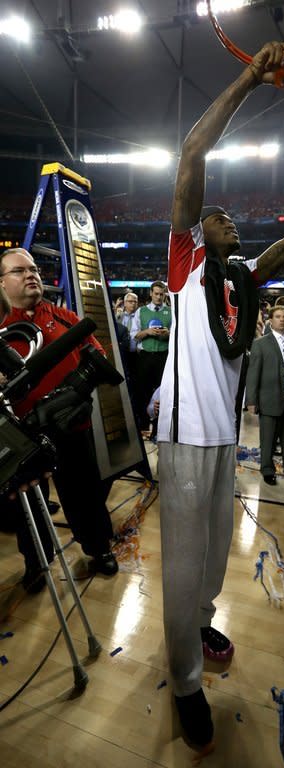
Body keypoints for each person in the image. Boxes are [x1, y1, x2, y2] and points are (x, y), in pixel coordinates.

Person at [155, 38, 284, 750]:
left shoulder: (242, 278)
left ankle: (201, 622)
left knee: (211, 560)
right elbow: (190, 154)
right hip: (183, 437)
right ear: (197, 230)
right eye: (217, 218)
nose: (226, 222)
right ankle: (183, 681)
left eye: (229, 221)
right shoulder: (185, 263)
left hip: (224, 440)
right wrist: (248, 76)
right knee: (182, 570)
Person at [0, 247, 119, 592]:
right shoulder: (0, 326)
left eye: (34, 269)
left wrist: (78, 394)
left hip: (70, 429)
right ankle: (36, 562)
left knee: (85, 495)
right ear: (2, 283)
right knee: (30, 508)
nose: (31, 275)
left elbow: (98, 356)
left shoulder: (66, 317)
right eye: (20, 271)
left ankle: (98, 548)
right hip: (24, 438)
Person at [245, 305, 284, 484]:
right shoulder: (261, 343)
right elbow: (253, 374)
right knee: (269, 437)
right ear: (270, 320)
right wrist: (251, 400)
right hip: (270, 397)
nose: (281, 319)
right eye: (278, 316)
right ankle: (267, 469)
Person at [132, 281, 171, 432]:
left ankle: (158, 428)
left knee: (162, 392)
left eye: (162, 294)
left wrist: (168, 334)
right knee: (143, 391)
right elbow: (133, 335)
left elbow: (177, 336)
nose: (159, 297)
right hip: (145, 357)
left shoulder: (170, 312)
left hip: (163, 356)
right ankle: (142, 426)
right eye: (156, 294)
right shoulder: (141, 311)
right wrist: (147, 332)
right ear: (150, 293)